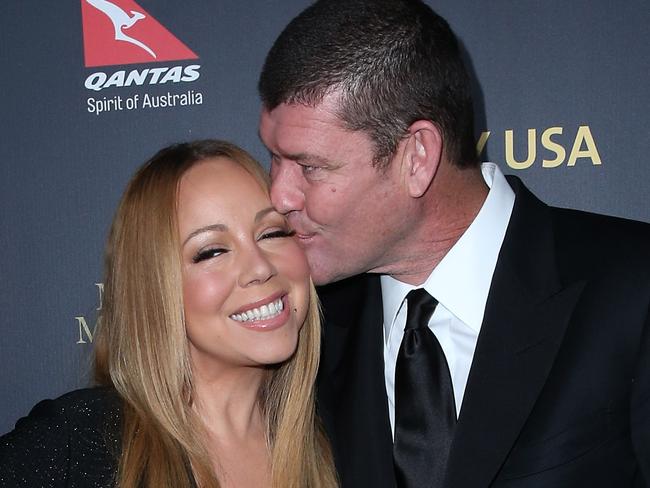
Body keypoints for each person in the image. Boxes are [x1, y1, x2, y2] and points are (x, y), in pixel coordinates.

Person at [257, 0, 650, 487]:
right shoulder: (299, 335)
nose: (279, 195)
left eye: (309, 166)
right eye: (273, 157)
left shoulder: (633, 289)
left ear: (417, 156)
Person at [0, 140, 338, 488]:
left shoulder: (341, 446)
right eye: (211, 252)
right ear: (155, 289)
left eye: (272, 232)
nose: (260, 267)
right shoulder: (78, 443)